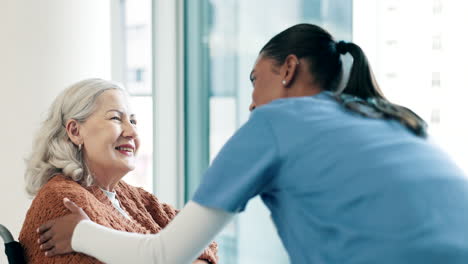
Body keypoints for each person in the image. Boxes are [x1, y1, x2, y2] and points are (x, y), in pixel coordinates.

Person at [38, 24, 468, 263]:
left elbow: (165, 255)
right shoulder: (390, 116)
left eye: (254, 81)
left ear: (288, 69)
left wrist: (81, 233)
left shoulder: (275, 122)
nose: (250, 104)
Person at [19, 78, 218, 264]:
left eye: (133, 121)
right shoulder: (62, 200)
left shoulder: (131, 196)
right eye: (115, 118)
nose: (132, 132)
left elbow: (202, 238)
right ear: (75, 131)